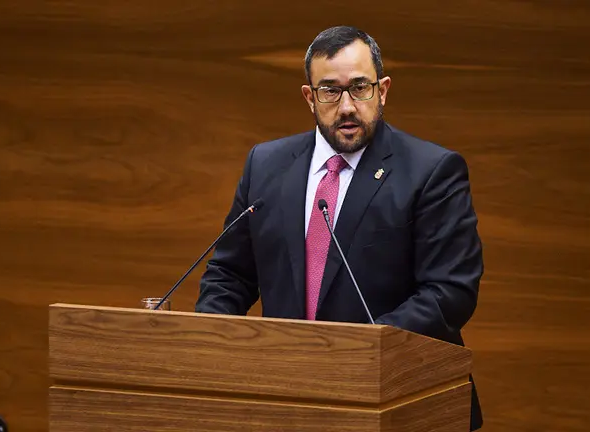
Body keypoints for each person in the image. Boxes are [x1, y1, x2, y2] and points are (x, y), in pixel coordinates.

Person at [195, 25, 484, 430]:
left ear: (382, 90)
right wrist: (210, 342)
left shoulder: (432, 172)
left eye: (360, 87)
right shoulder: (265, 165)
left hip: (398, 397)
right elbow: (230, 274)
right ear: (309, 97)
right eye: (330, 90)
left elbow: (449, 292)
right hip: (289, 398)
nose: (347, 105)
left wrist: (355, 354)